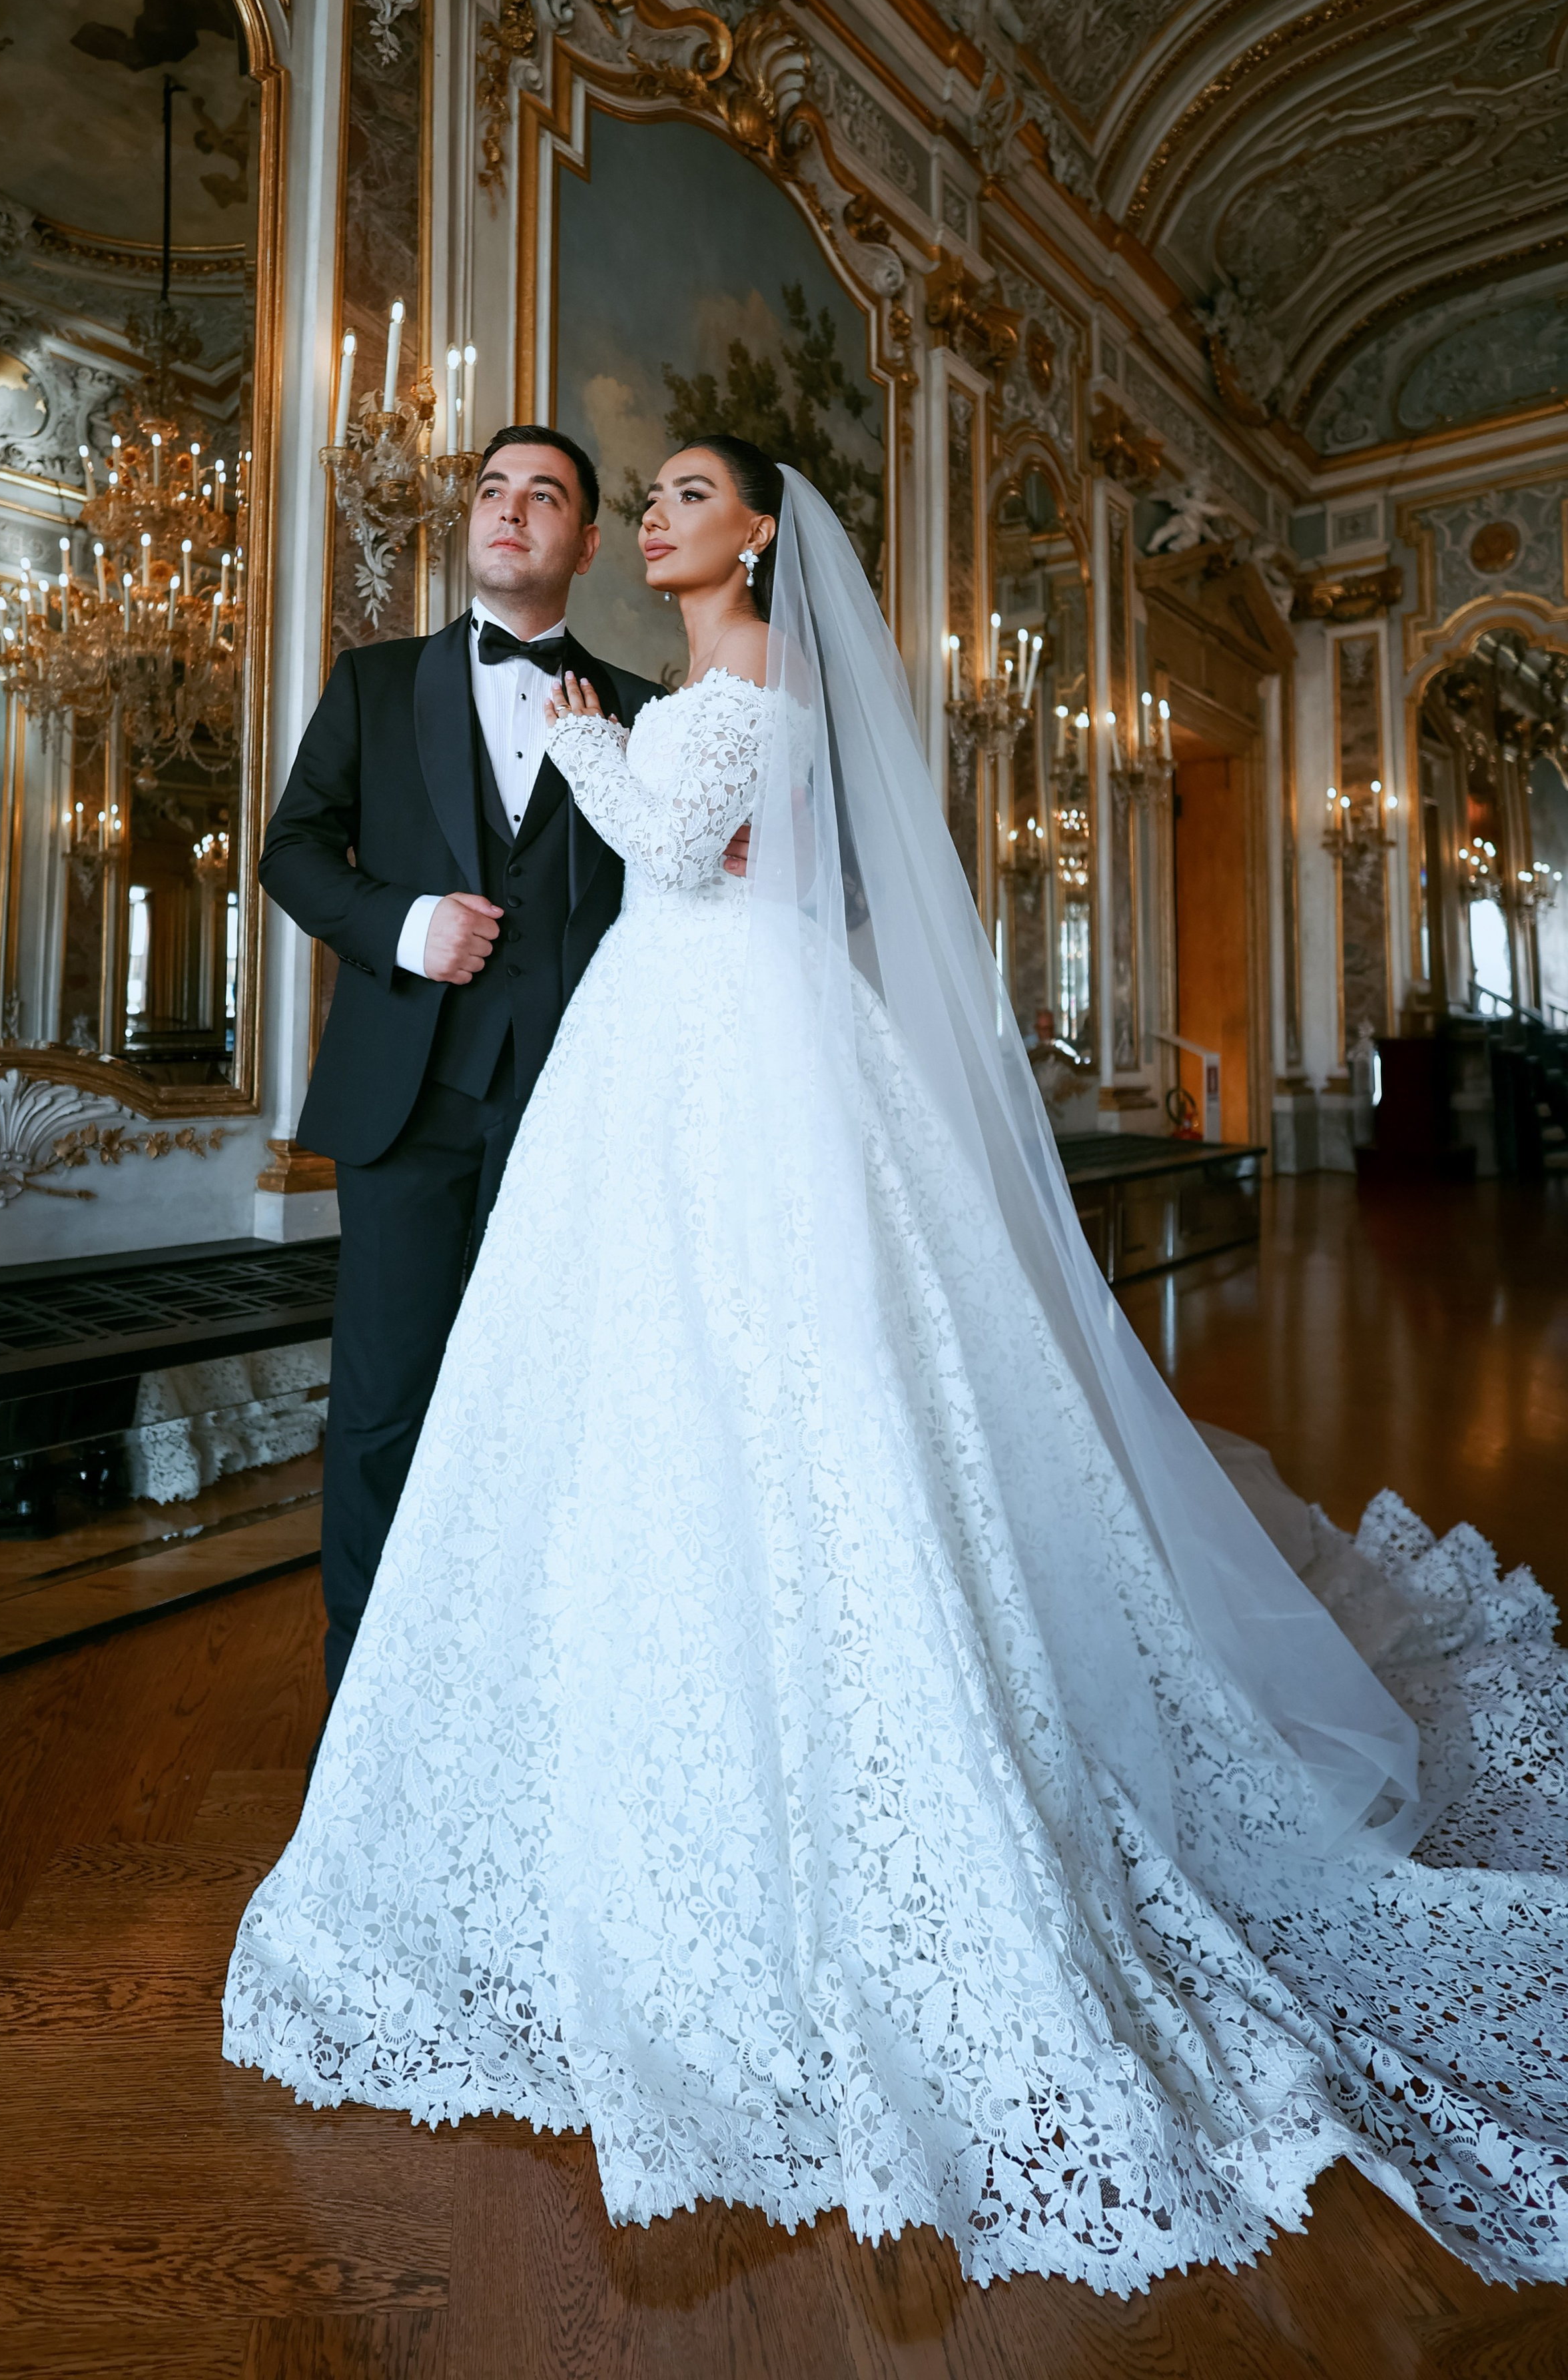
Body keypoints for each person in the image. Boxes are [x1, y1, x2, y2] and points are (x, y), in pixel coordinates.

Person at [226, 441, 1568, 2295]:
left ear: (733, 534)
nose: (639, 517)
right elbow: (355, 847)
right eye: (625, 490)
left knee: (734, 1400)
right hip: (523, 1080)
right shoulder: (493, 685)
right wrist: (482, 858)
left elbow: (683, 845)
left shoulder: (685, 686)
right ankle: (416, 1728)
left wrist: (611, 753)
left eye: (680, 492)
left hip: (674, 1065)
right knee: (473, 1421)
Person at [260, 428, 678, 1702]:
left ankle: (522, 1685)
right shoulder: (375, 683)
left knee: (544, 1400)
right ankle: (368, 1698)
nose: (512, 510)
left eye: (544, 495)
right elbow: (292, 853)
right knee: (384, 1401)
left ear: (587, 544)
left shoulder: (644, 712)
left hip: (572, 1107)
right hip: (409, 1099)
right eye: (494, 490)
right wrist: (403, 924)